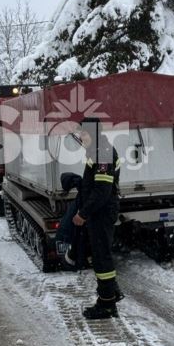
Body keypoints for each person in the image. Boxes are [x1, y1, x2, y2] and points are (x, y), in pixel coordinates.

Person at [72, 121, 123, 320]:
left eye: (82, 134)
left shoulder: (103, 152)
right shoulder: (97, 150)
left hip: (101, 213)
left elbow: (102, 192)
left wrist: (83, 214)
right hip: (99, 212)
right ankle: (111, 292)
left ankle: (107, 303)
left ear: (92, 133)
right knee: (100, 255)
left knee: (102, 257)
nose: (81, 138)